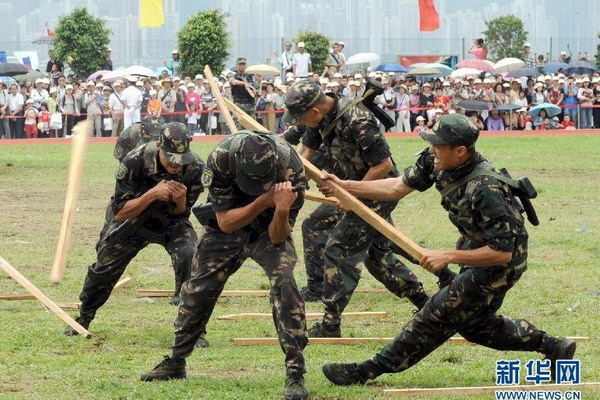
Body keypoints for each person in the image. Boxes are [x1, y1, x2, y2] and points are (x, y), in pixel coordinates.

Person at [317, 113, 576, 386]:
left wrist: (448, 256)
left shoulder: (487, 189)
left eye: (438, 145)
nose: (432, 150)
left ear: (460, 151)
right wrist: (347, 186)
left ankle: (367, 370)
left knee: (436, 311)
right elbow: (396, 186)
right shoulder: (436, 160)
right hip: (475, 249)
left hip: (500, 264)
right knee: (475, 327)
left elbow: (502, 253)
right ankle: (553, 346)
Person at [141, 130, 310, 400]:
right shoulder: (221, 158)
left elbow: (278, 236)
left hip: (268, 230)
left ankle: (295, 372)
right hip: (227, 226)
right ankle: (176, 361)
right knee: (198, 287)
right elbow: (225, 223)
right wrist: (263, 200)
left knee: (285, 283)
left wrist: (280, 209)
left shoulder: (292, 172)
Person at [283, 79, 439, 338]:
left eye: (300, 117)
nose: (298, 123)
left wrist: (351, 196)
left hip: (379, 189)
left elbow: (383, 166)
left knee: (339, 247)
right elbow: (306, 154)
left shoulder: (358, 121)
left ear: (315, 110)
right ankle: (428, 304)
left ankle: (331, 325)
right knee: (376, 255)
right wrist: (286, 181)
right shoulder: (319, 119)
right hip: (350, 186)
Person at [64, 122, 204, 336]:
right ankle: (84, 318)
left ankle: (193, 329)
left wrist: (181, 200)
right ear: (159, 145)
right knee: (105, 265)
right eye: (171, 159)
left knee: (190, 254)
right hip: (133, 219)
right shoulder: (135, 161)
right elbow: (120, 212)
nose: (176, 165)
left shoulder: (194, 167)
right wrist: (152, 194)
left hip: (169, 222)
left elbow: (181, 215)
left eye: (180, 160)